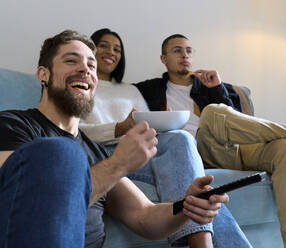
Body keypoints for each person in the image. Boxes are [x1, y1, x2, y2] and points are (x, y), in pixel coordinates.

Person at [0, 30, 230, 248]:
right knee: (62, 152)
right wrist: (119, 163)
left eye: (91, 65)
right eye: (72, 61)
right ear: (43, 75)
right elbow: (23, 199)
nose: (85, 69)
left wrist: (187, 206)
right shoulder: (13, 125)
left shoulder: (95, 153)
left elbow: (145, 216)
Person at [133, 34, 286, 248]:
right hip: (200, 150)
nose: (185, 56)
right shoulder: (150, 89)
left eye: (189, 51)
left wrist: (218, 89)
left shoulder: (207, 85)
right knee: (212, 113)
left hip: (237, 147)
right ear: (163, 59)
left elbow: (235, 121)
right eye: (177, 51)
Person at [79, 28, 252, 247]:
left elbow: (147, 123)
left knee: (181, 141)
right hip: (105, 154)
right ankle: (201, 242)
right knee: (198, 186)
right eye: (103, 45)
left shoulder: (131, 90)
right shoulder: (80, 85)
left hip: (140, 153)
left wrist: (162, 121)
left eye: (117, 49)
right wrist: (119, 128)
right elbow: (74, 130)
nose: (111, 52)